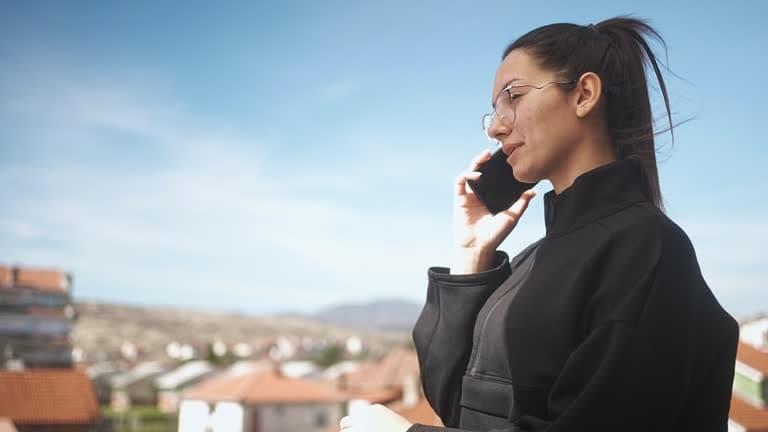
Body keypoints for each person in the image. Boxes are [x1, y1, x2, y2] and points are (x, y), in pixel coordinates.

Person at [338, 16, 739, 432]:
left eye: (513, 97)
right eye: (494, 110)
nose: (496, 127)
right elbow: (459, 407)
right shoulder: (535, 260)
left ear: (584, 94)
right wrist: (472, 255)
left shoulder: (647, 249)